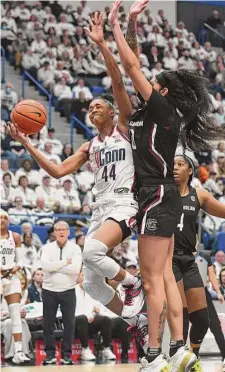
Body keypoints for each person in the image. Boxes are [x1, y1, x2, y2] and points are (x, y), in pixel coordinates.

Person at [6, 12, 145, 325]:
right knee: (93, 282)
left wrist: (101, 43)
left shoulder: (125, 128)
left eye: (99, 105)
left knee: (92, 252)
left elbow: (119, 80)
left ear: (113, 112)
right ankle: (136, 320)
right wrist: (27, 144)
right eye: (90, 106)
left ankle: (131, 283)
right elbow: (56, 171)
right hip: (99, 209)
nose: (92, 108)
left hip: (124, 204)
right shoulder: (88, 146)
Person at [108, 1, 225, 371]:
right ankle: (177, 350)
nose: (146, 81)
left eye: (152, 82)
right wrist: (131, 23)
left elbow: (130, 66)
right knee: (162, 277)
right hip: (160, 196)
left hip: (156, 194)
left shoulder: (162, 110)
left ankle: (155, 354)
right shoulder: (148, 114)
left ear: (162, 91)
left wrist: (114, 24)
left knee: (151, 279)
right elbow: (132, 67)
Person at [40, 221, 82, 365]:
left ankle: (67, 355)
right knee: (48, 325)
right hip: (49, 291)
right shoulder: (46, 248)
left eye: (63, 229)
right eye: (58, 229)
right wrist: (65, 262)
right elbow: (45, 266)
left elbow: (76, 269)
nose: (61, 232)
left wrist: (55, 266)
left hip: (68, 290)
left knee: (69, 325)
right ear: (54, 232)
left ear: (68, 232)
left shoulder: (75, 248)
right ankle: (50, 355)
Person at [0, 209, 30, 364]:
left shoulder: (15, 237)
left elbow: (21, 261)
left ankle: (18, 352)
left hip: (11, 278)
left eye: (5, 217)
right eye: (0, 217)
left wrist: (15, 268)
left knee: (15, 314)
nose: (3, 220)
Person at [195, 248, 225, 371]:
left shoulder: (204, 257)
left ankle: (224, 355)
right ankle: (192, 357)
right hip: (186, 293)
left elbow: (211, 275)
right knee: (195, 327)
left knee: (215, 325)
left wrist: (218, 292)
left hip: (203, 293)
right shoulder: (181, 256)